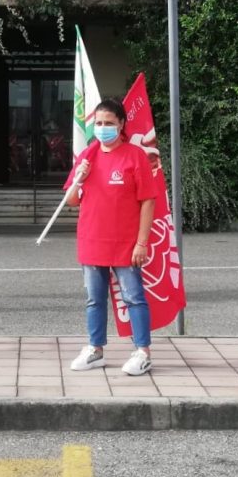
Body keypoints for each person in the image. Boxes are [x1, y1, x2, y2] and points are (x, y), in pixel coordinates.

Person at [65, 98, 161, 377]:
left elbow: (148, 201)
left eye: (109, 123)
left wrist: (142, 242)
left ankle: (143, 351)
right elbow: (70, 201)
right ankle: (95, 349)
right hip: (92, 239)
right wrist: (79, 179)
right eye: (98, 123)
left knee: (133, 297)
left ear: (121, 125)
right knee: (94, 299)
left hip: (125, 243)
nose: (103, 128)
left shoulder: (135, 156)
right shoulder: (88, 156)